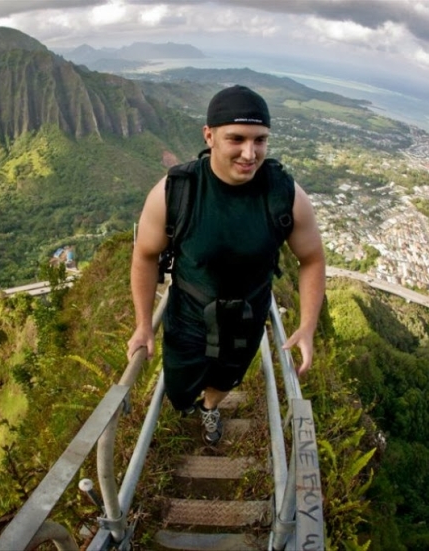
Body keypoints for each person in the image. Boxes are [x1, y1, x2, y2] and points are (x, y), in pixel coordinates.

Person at [127, 85, 326, 446]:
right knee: (179, 385)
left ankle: (210, 408)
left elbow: (311, 258)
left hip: (247, 319)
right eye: (236, 138)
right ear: (210, 135)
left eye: (260, 140)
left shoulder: (285, 195)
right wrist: (144, 325)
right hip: (187, 316)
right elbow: (144, 254)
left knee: (226, 379)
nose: (250, 153)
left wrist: (308, 325)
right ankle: (187, 404)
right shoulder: (176, 191)